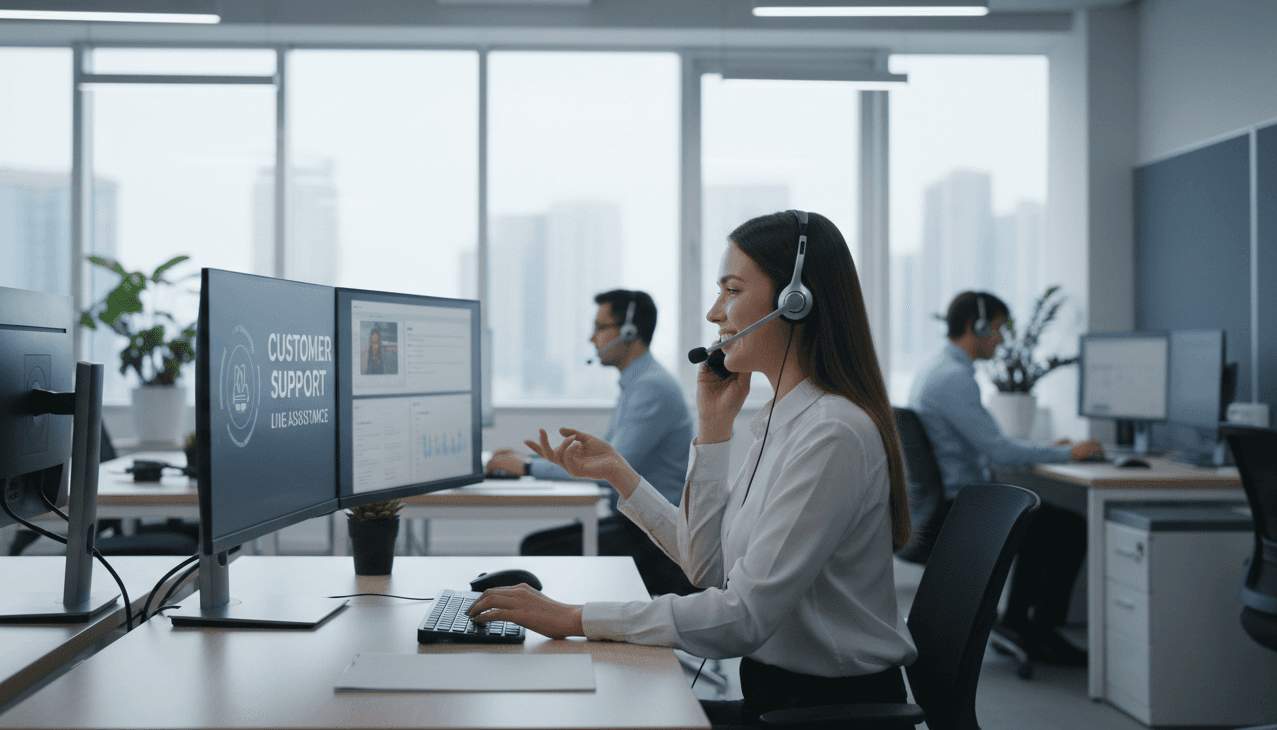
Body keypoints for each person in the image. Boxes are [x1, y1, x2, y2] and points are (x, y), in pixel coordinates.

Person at [468, 212, 917, 728]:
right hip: (780, 700)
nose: (713, 312)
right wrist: (695, 437)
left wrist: (574, 618)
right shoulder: (782, 420)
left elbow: (742, 616)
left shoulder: (830, 433)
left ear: (795, 301)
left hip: (827, 713)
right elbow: (708, 568)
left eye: (731, 290)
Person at [909, 290, 1103, 666]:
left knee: (1040, 524)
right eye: (997, 329)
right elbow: (997, 450)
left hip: (947, 505)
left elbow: (989, 442)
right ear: (975, 327)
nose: (1001, 339)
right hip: (959, 511)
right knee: (1069, 528)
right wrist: (1068, 453)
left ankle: (1018, 624)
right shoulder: (954, 379)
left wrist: (1050, 447)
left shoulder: (937, 368)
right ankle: (1041, 633)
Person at [485, 289, 697, 596]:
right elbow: (601, 459)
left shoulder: (651, 388)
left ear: (628, 331)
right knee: (538, 545)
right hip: (639, 525)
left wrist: (527, 466)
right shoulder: (638, 384)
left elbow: (605, 469)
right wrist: (531, 463)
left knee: (539, 549)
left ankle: (560, 631)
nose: (591, 338)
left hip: (657, 537)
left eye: (599, 328)